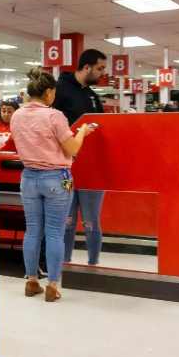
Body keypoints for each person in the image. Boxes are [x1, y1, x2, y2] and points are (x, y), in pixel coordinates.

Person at [9, 68, 95, 302]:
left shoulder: (16, 115)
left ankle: (31, 282)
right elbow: (73, 149)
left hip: (28, 178)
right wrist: (83, 132)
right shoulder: (54, 115)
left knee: (33, 230)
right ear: (48, 91)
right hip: (56, 177)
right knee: (55, 233)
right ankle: (52, 286)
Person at [53, 49, 107, 267]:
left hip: (92, 168)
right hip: (65, 165)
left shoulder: (92, 96)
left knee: (91, 221)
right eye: (100, 68)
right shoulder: (61, 90)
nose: (102, 73)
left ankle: (93, 265)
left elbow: (103, 127)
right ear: (87, 67)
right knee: (67, 221)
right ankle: (64, 265)